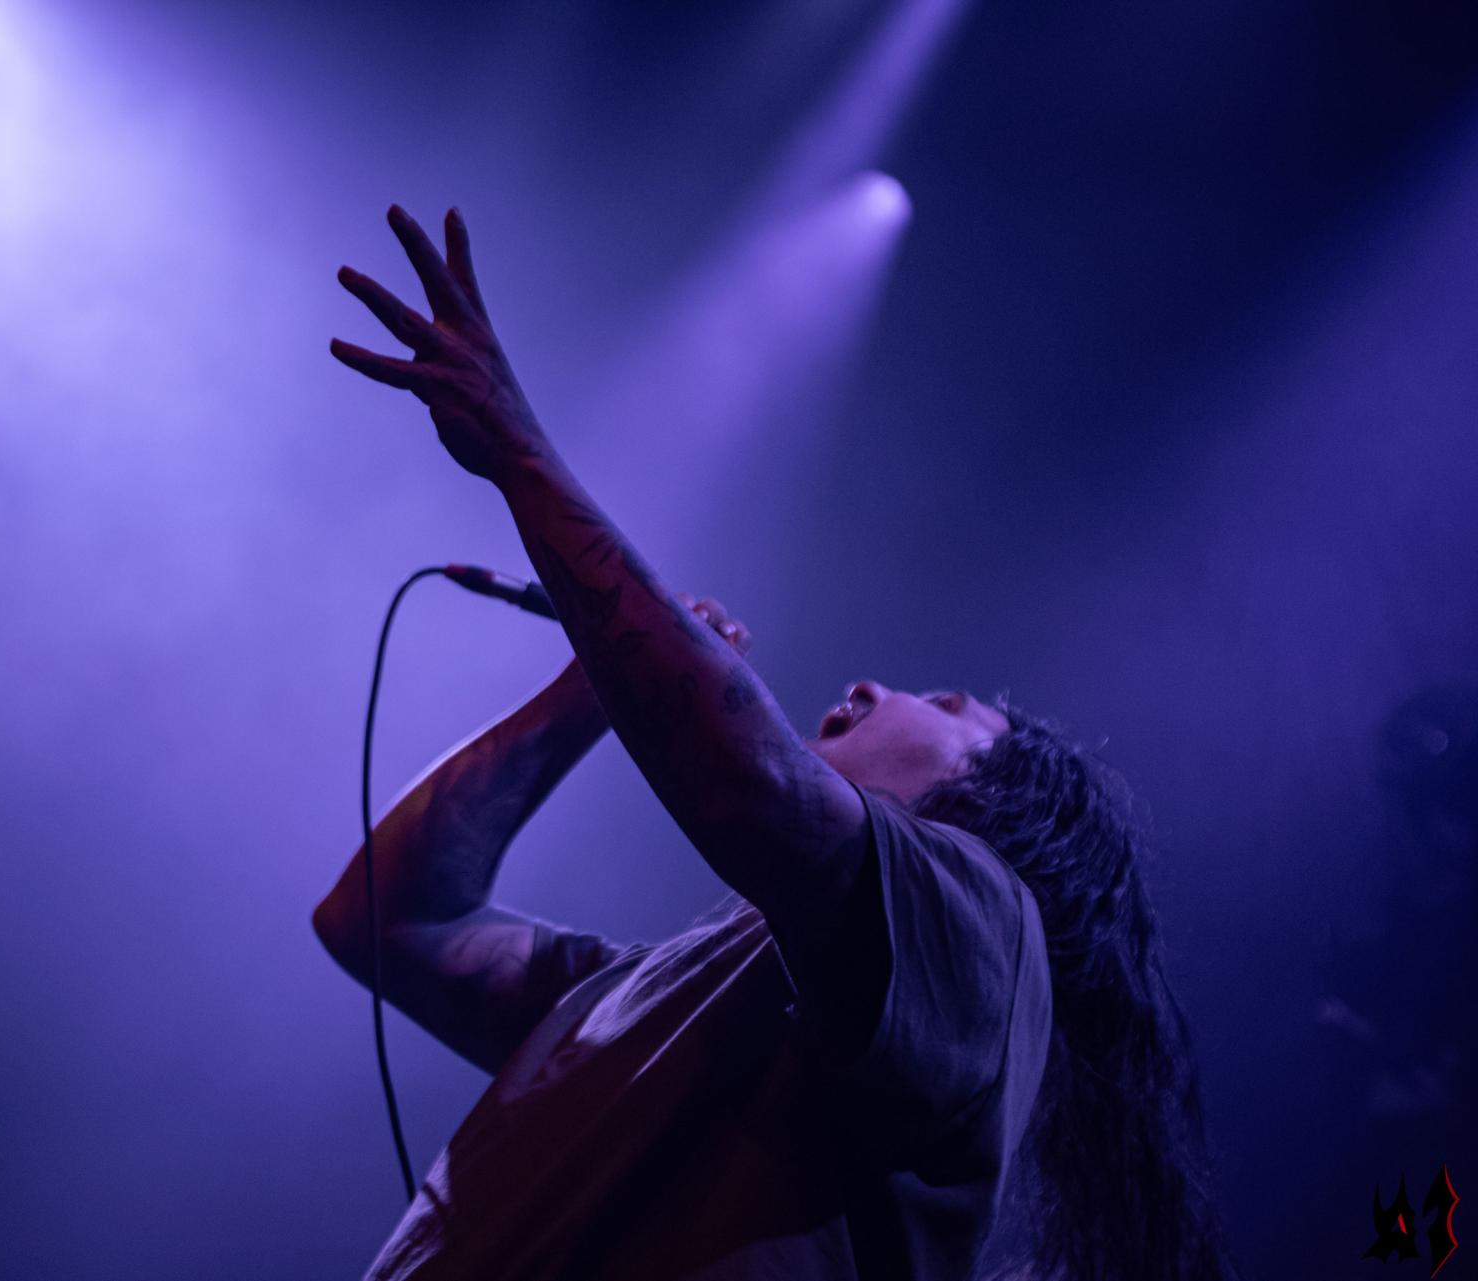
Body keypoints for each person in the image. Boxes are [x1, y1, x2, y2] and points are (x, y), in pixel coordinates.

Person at [313, 205, 1237, 1281]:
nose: (871, 685)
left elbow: (750, 780)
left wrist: (521, 453)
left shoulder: (989, 933)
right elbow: (386, 915)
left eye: (945, 705)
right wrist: (582, 695)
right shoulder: (652, 998)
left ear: (997, 802)